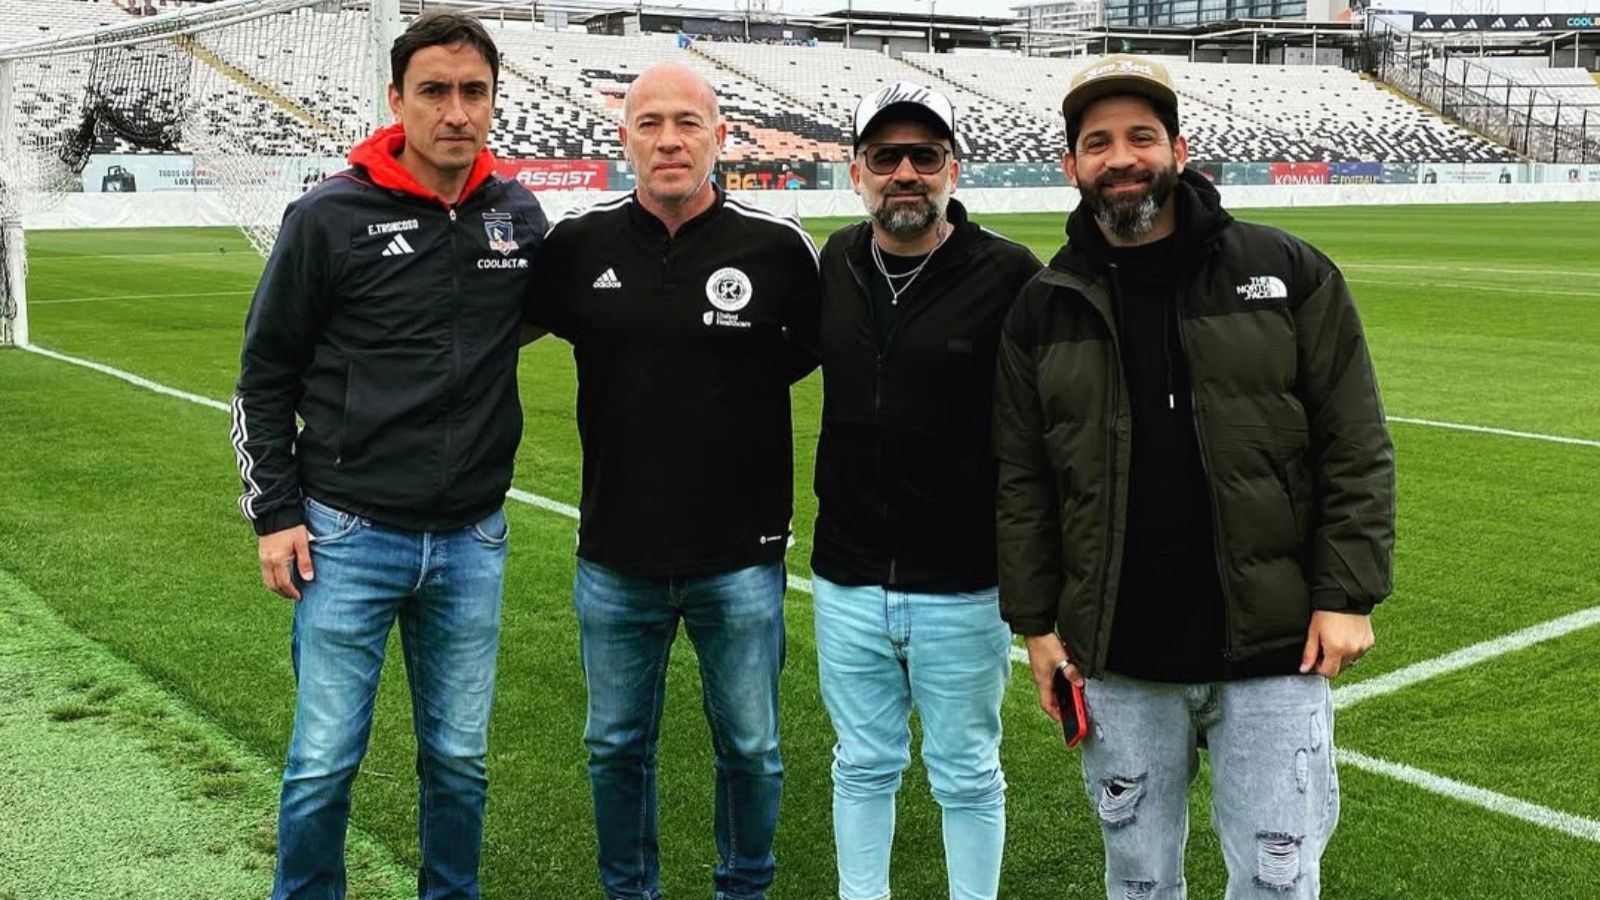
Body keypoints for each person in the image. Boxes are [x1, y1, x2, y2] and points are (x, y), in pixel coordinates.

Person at [994, 55, 1394, 899]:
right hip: (1120, 658)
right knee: (1139, 882)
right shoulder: (1045, 305)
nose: (1121, 157)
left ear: (1178, 149)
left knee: (1278, 881)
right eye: (1098, 142)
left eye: (1141, 136)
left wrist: (1348, 593)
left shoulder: (1287, 270)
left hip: (1276, 650)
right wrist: (1035, 626)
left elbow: (1354, 442)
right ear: (1071, 166)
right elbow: (1024, 480)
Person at [232, 12, 546, 898]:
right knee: (324, 760)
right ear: (396, 100)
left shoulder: (517, 216)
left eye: (474, 92)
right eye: (435, 91)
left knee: (459, 760)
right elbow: (264, 374)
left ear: (494, 100)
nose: (457, 111)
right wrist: (276, 515)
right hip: (347, 536)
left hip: (472, 539)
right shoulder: (328, 216)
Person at [525, 62, 820, 900]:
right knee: (616, 746)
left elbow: (821, 352)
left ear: (719, 138)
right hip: (615, 556)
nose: (669, 140)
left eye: (687, 123)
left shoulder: (778, 249)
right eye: (649, 123)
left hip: (741, 558)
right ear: (624, 139)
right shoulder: (578, 245)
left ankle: (743, 889)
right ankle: (630, 891)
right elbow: (489, 333)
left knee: (752, 749)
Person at [808, 82, 1040, 900]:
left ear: (953, 170)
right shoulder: (834, 261)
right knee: (861, 765)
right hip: (846, 578)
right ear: (857, 172)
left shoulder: (1010, 273)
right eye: (885, 156)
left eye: (925, 156)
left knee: (967, 772)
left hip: (964, 585)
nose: (905, 172)